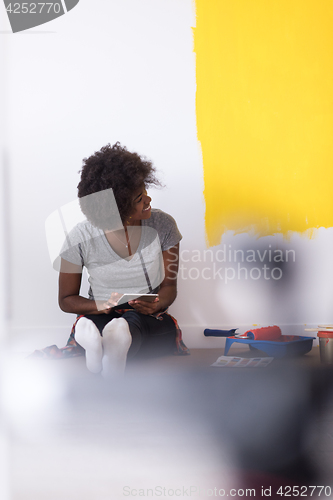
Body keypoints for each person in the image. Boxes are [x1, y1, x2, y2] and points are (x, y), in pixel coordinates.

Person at [58, 142, 188, 376]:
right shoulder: (79, 236)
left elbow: (169, 287)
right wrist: (99, 305)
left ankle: (105, 340)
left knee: (150, 326)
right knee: (106, 325)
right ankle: (103, 340)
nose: (148, 200)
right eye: (139, 198)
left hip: (144, 314)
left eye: (144, 191)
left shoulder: (163, 225)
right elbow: (66, 299)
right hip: (99, 313)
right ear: (117, 209)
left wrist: (157, 304)